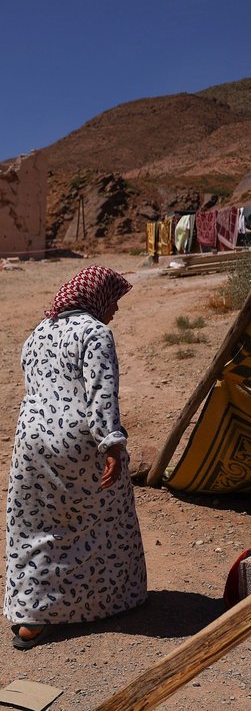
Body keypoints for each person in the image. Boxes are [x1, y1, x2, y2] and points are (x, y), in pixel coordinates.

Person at [4, 265, 147, 649]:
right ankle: (111, 600)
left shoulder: (37, 333)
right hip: (76, 442)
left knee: (36, 527)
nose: (114, 310)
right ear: (96, 298)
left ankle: (31, 614)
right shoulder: (95, 333)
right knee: (104, 518)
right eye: (113, 301)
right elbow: (101, 394)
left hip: (29, 441)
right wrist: (112, 444)